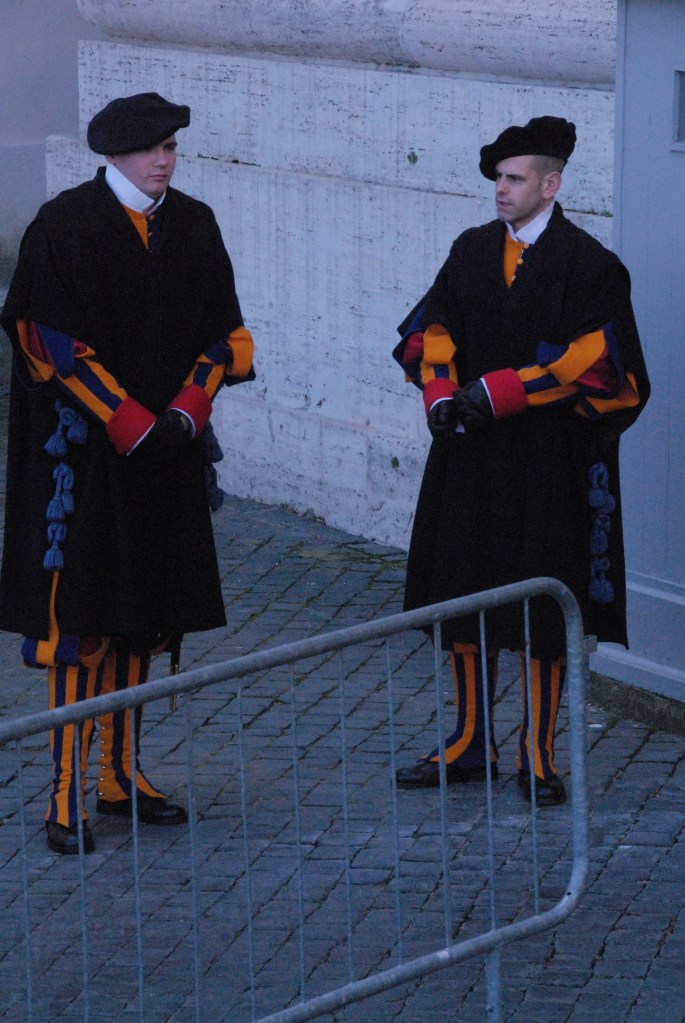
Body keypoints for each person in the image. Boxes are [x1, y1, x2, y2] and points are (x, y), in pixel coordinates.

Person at [0, 93, 255, 853]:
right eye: (149, 149)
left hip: (166, 457)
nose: (163, 160)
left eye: (170, 147)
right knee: (84, 621)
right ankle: (65, 791)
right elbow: (46, 339)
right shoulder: (65, 225)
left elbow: (225, 334)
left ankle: (118, 775)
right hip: (82, 463)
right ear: (113, 154)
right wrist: (129, 422)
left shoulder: (194, 224)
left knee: (142, 613)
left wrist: (185, 413)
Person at [392, 116, 649, 805]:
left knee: (541, 604)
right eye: (498, 179)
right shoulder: (472, 249)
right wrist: (440, 393)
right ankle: (470, 740)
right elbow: (433, 328)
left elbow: (600, 365)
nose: (500, 190)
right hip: (469, 458)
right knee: (462, 592)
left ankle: (537, 752)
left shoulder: (589, 265)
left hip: (548, 465)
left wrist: (500, 393)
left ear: (550, 184)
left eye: (514, 178)